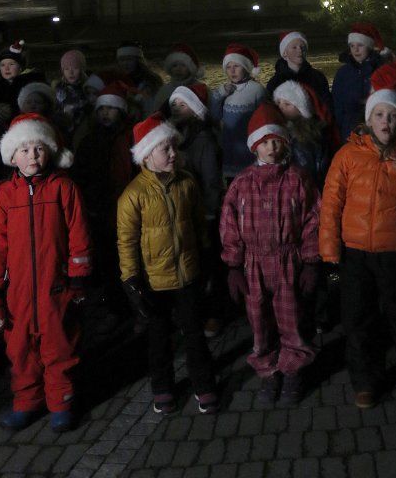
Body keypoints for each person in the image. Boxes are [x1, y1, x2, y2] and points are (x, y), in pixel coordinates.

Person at [319, 68, 396, 409]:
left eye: (392, 116)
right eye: (380, 115)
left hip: (394, 253)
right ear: (369, 119)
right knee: (358, 321)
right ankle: (365, 380)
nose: (386, 122)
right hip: (355, 255)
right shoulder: (348, 157)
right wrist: (329, 251)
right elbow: (331, 205)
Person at [0, 113, 92, 433]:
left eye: (39, 148)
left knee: (59, 346)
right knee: (20, 350)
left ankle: (61, 401)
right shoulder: (4, 196)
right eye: (24, 149)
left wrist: (78, 277)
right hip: (17, 292)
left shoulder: (64, 189)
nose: (32, 156)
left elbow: (78, 235)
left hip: (54, 287)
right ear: (12, 156)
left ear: (50, 152)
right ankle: (27, 401)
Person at [219, 102, 321, 407]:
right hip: (253, 264)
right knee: (260, 321)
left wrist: (312, 260)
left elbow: (313, 219)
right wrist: (233, 265)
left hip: (289, 260)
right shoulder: (242, 183)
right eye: (265, 143)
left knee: (290, 319)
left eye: (277, 141)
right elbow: (229, 223)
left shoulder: (298, 179)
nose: (272, 148)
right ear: (255, 148)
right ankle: (267, 370)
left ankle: (292, 368)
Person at [117, 112, 218, 416]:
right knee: (159, 340)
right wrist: (131, 280)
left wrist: (206, 257)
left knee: (195, 334)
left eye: (174, 147)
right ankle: (162, 387)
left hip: (187, 274)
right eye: (165, 149)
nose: (174, 153)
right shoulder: (133, 195)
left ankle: (204, 383)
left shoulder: (187, 183)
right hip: (154, 282)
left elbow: (199, 224)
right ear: (147, 156)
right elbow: (126, 242)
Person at [72, 82, 136, 330]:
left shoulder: (130, 136)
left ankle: (136, 307)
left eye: (111, 108)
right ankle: (115, 307)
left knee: (130, 261)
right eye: (102, 109)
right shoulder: (90, 141)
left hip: (127, 209)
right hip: (100, 210)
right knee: (109, 262)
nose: (106, 113)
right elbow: (81, 174)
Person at [168, 82, 225, 336]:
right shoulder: (172, 135)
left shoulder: (202, 139)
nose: (177, 109)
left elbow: (211, 179)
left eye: (183, 104)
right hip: (181, 213)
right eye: (174, 105)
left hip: (202, 213)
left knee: (208, 265)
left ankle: (213, 313)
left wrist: (210, 211)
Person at [209, 44, 267, 181]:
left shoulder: (257, 90)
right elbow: (215, 116)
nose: (232, 71)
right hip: (231, 148)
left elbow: (264, 119)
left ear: (246, 67)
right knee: (232, 184)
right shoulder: (225, 90)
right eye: (228, 67)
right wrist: (219, 95)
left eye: (237, 66)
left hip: (250, 149)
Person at [331, 22, 390, 143]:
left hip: (376, 131)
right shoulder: (343, 73)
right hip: (349, 131)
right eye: (352, 46)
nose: (355, 50)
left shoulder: (381, 70)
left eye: (360, 45)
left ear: (368, 46)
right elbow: (337, 103)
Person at [266, 31, 333, 116]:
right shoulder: (275, 82)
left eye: (302, 47)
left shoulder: (318, 77)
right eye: (294, 47)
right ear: (285, 53)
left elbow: (327, 105)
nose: (300, 50)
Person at [0, 39, 47, 126]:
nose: (6, 68)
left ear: (21, 67)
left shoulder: (32, 84)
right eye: (2, 65)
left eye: (11, 64)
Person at [115, 41, 162, 117]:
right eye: (122, 60)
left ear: (138, 60)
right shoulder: (116, 81)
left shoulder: (151, 82)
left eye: (129, 59)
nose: (125, 63)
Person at [153, 43, 203, 111]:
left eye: (183, 65)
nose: (178, 69)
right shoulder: (164, 91)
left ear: (190, 68)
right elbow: (155, 112)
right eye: (174, 65)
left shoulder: (200, 89)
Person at [53, 49, 90, 138]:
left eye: (75, 68)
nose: (71, 72)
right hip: (63, 132)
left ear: (82, 69)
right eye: (66, 69)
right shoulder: (57, 90)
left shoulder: (89, 88)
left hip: (85, 133)